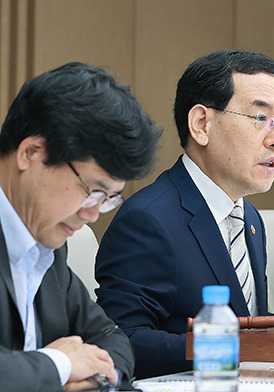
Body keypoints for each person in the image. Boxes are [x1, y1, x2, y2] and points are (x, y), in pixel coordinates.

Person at [95, 50, 274, 379]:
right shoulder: (149, 220)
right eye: (261, 119)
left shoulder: (248, 219)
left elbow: (243, 321)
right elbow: (120, 339)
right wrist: (227, 349)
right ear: (202, 124)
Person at [0, 62, 161, 391]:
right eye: (93, 192)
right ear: (31, 153)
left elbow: (112, 338)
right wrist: (59, 365)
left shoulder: (48, 247)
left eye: (109, 198)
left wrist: (91, 378)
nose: (93, 215)